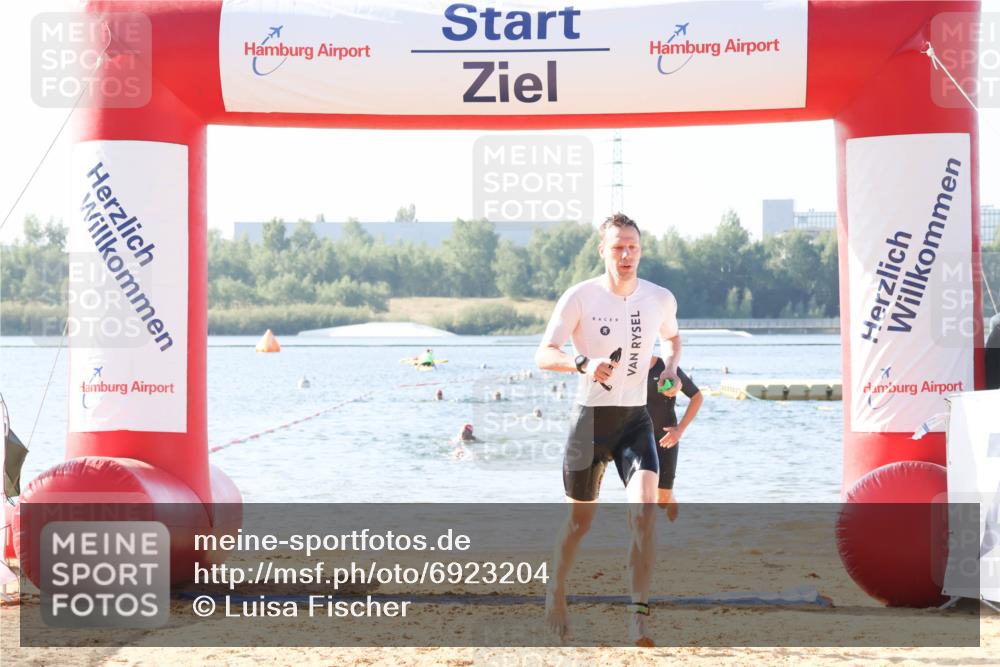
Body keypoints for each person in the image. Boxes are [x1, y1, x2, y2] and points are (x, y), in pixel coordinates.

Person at [535, 212, 681, 647]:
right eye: (617, 247)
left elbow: (673, 338)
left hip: (636, 423)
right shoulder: (579, 297)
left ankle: (638, 617)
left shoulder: (660, 298)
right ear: (603, 251)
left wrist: (671, 365)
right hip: (590, 424)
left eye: (632, 247)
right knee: (579, 524)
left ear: (641, 250)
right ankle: (556, 590)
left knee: (644, 515)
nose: (626, 255)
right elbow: (543, 354)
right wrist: (582, 363)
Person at [646, 357, 702, 522]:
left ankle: (669, 499)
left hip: (666, 438)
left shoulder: (666, 368)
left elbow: (697, 396)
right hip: (637, 438)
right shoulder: (625, 365)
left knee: (661, 500)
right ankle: (643, 540)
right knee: (641, 495)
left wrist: (680, 429)